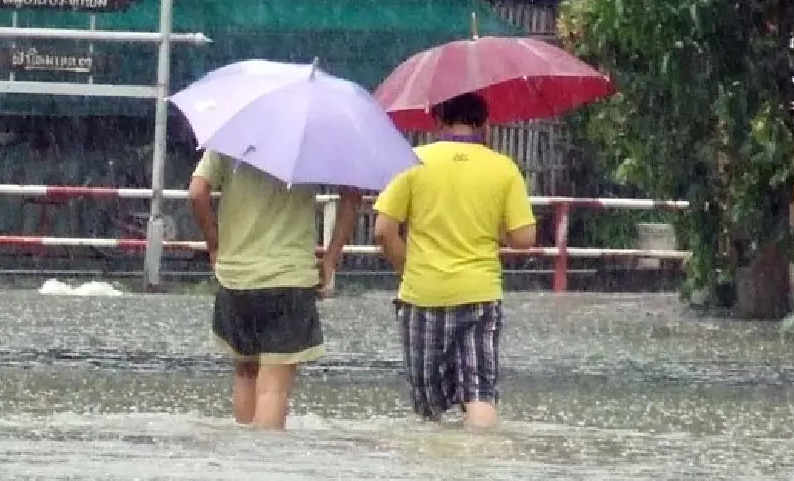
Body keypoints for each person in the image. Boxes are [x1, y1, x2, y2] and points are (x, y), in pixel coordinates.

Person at [371, 92, 538, 428]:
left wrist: (406, 268)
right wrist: (494, 228)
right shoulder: (503, 168)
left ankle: (436, 475)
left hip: (422, 293)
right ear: (485, 124)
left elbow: (383, 230)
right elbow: (524, 239)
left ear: (437, 121)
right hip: (480, 292)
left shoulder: (411, 162)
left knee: (428, 403)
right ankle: (479, 465)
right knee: (480, 390)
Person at [189, 151, 360, 429]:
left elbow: (197, 193)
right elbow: (352, 196)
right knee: (273, 389)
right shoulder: (312, 142)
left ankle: (243, 462)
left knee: (246, 374)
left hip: (236, 277)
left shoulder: (231, 136)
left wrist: (214, 244)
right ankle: (266, 466)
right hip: (289, 279)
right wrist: (331, 258)